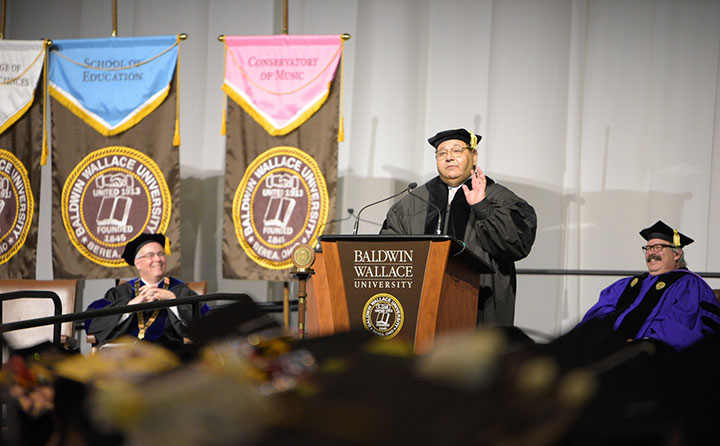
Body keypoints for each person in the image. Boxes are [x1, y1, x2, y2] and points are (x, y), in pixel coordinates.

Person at [381, 128, 537, 325]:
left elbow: (516, 245)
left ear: (474, 156)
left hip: (481, 302)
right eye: (442, 153)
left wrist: (482, 207)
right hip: (421, 305)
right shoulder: (413, 202)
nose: (449, 158)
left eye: (456, 151)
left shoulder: (500, 198)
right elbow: (391, 252)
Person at [580, 220, 720, 351]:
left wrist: (638, 345)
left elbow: (680, 330)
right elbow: (596, 318)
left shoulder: (689, 285)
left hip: (650, 360)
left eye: (658, 247)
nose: (651, 253)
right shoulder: (628, 284)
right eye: (648, 248)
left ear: (677, 254)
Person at [85, 233, 208, 350]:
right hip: (125, 355)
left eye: (161, 254)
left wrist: (172, 300)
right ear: (138, 264)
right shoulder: (121, 292)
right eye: (150, 255)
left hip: (166, 356)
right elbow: (92, 322)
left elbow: (204, 324)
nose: (158, 259)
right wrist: (129, 307)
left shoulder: (179, 290)